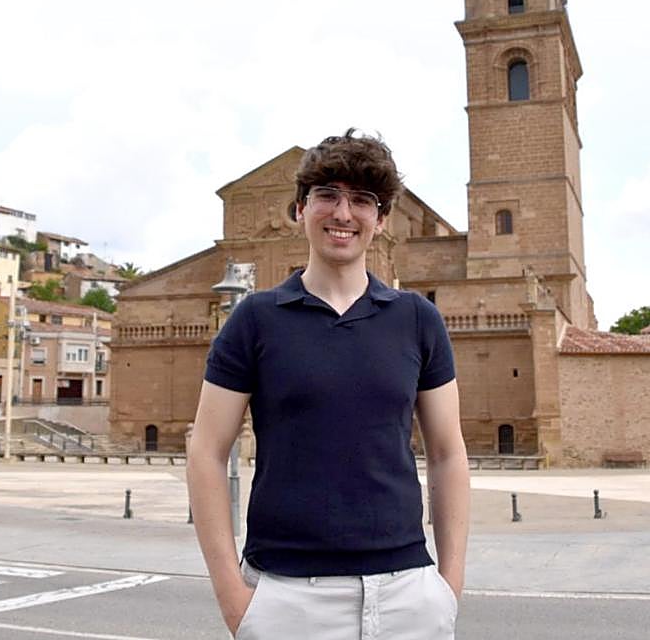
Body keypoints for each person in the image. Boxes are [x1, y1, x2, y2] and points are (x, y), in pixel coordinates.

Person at [187, 129, 470, 639]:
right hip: (288, 596)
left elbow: (448, 452)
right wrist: (233, 596)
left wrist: (448, 586)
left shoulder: (417, 319)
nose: (343, 213)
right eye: (327, 196)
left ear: (381, 220)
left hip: (408, 594)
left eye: (361, 200)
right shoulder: (254, 319)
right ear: (301, 209)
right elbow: (206, 451)